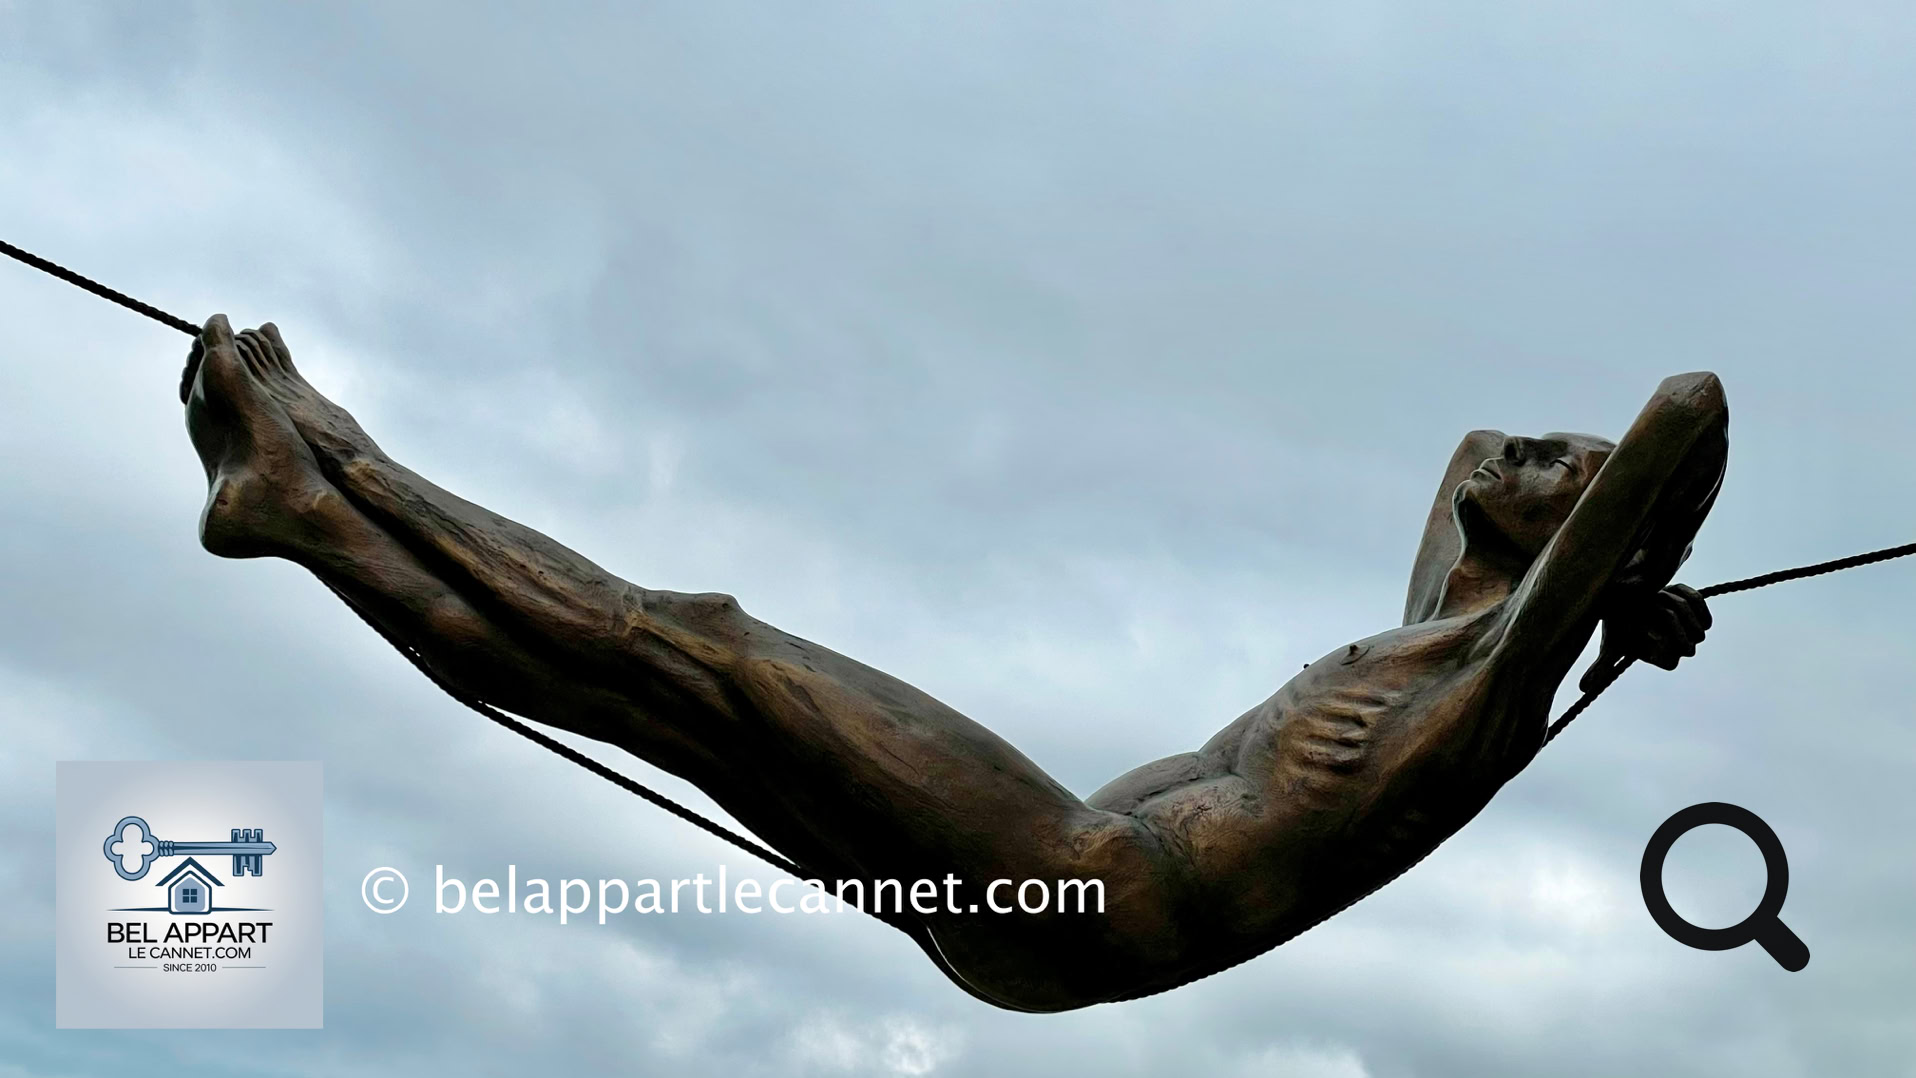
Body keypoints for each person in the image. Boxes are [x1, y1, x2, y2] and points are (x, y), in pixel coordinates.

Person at [181, 314, 1726, 1011]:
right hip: (1056, 907)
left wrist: (1623, 577)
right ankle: (299, 519)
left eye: (1561, 463)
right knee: (645, 699)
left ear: (1591, 536)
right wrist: (1613, 580)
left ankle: (345, 458)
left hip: (1081, 883)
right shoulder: (1442, 623)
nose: (1515, 454)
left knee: (700, 641)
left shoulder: (1494, 682)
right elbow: (1474, 447)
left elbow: (1688, 405)